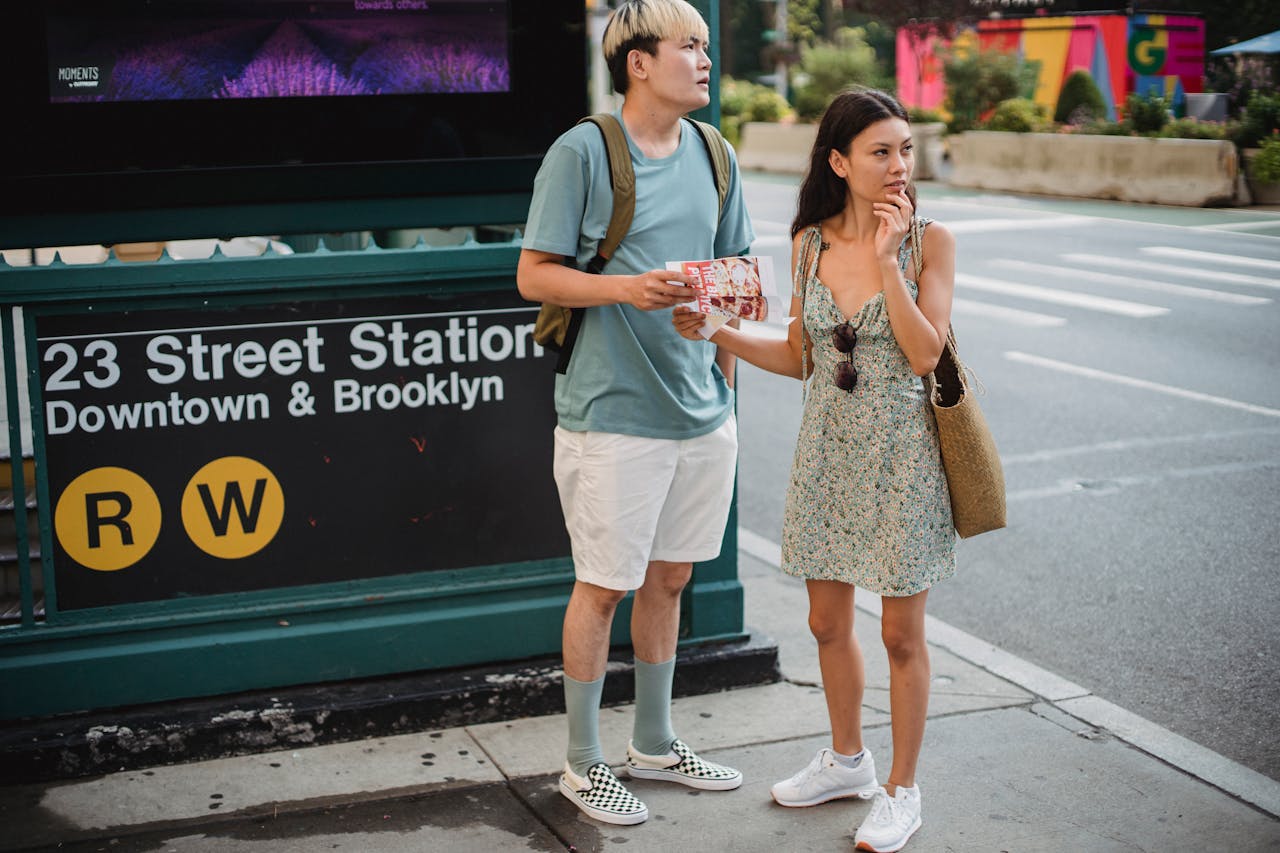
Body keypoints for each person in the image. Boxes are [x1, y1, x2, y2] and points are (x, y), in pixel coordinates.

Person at [673, 88, 956, 852]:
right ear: (839, 161)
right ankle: (847, 760)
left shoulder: (931, 241)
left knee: (901, 634)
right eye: (881, 152)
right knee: (826, 621)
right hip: (828, 450)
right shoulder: (808, 243)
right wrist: (720, 332)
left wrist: (890, 263)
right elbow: (801, 356)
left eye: (905, 150)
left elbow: (926, 351)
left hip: (903, 455)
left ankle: (902, 789)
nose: (899, 166)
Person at [515, 0, 755, 827]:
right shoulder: (583, 152)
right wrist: (625, 287)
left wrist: (715, 322)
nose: (705, 57)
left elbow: (737, 267)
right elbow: (534, 274)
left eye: (706, 43)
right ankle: (583, 762)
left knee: (673, 576)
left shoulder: (715, 151)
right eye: (687, 44)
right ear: (638, 63)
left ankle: (653, 741)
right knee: (604, 586)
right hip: (611, 412)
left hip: (701, 409)